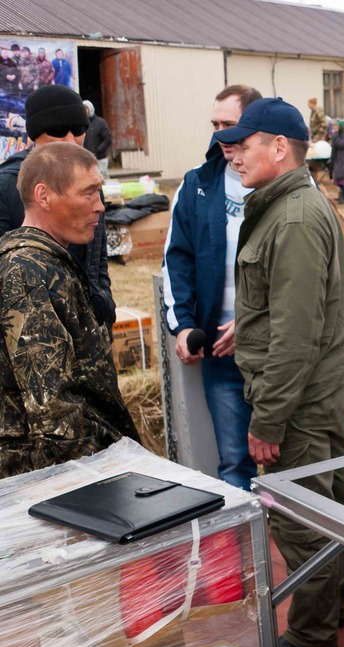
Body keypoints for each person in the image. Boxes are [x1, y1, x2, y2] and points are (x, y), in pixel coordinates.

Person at [213, 97, 344, 647]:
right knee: (341, 508)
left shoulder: (294, 217)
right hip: (312, 394)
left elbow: (296, 334)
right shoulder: (284, 207)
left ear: (279, 148)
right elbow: (284, 311)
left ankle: (310, 632)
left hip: (298, 402)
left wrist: (268, 419)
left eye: (243, 144)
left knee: (303, 521)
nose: (233, 154)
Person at [0, 143, 139, 476]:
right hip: (59, 479)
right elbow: (55, 416)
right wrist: (110, 471)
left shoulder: (48, 262)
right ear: (43, 196)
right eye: (88, 193)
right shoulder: (26, 275)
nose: (100, 207)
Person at [162, 84, 262, 491]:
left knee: (289, 464)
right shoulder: (197, 185)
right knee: (235, 465)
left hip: (272, 352)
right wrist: (183, 325)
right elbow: (177, 259)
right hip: (220, 355)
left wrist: (254, 324)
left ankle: (294, 551)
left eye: (230, 125)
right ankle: (245, 553)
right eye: (215, 125)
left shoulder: (280, 186)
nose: (220, 135)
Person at [0, 85, 114, 330]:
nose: (71, 140)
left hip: (87, 326)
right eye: (58, 130)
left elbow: (96, 257)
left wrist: (104, 301)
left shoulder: (88, 178)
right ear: (34, 134)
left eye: (79, 129)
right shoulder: (7, 185)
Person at [82, 100, 113, 178]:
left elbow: (108, 138)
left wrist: (98, 150)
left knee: (102, 180)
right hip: (87, 160)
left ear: (90, 109)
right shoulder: (82, 124)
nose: (84, 111)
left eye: (86, 108)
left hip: (100, 159)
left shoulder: (100, 122)